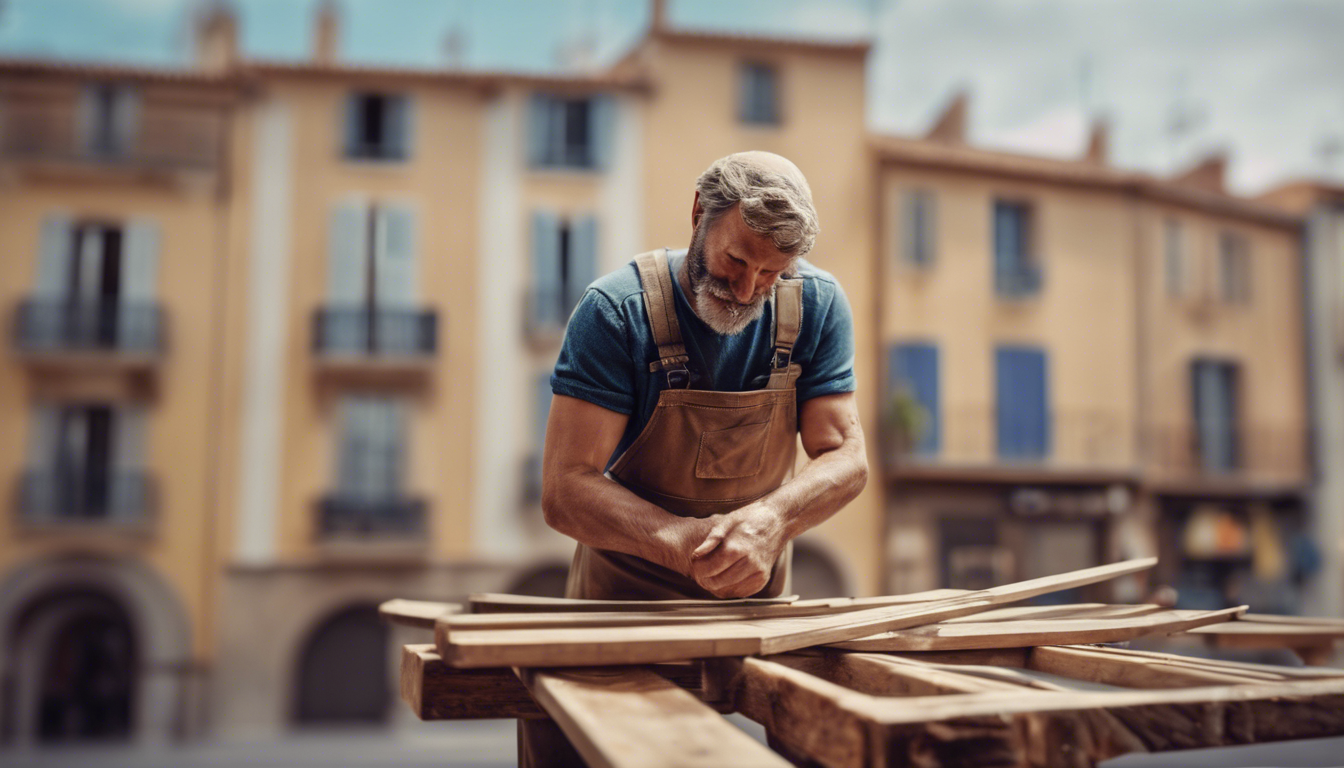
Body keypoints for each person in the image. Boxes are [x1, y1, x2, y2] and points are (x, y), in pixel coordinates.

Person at [542, 150, 868, 602]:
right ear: (699, 213)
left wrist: (774, 520)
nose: (746, 289)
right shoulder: (616, 313)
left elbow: (846, 457)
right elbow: (565, 489)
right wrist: (683, 543)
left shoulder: (819, 306)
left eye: (771, 272)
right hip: (620, 616)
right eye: (736, 260)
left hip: (754, 615)